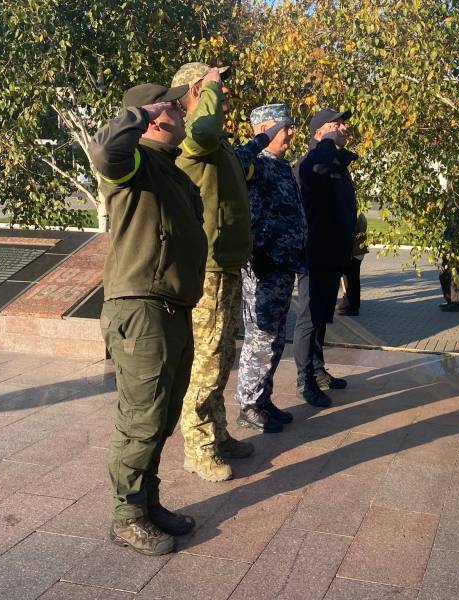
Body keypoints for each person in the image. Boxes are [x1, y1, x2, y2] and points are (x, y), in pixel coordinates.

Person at [89, 82, 208, 555]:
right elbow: (103, 152)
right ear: (155, 116)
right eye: (175, 107)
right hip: (140, 308)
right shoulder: (134, 162)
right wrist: (139, 114)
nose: (182, 113)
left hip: (171, 307)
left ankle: (148, 501)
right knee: (140, 419)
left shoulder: (169, 169)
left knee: (162, 415)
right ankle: (126, 516)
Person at [171, 62, 271, 481]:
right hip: (208, 268)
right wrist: (208, 87)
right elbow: (206, 130)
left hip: (229, 264)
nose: (225, 93)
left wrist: (263, 139)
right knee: (206, 361)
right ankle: (197, 447)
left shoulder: (219, 145)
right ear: (196, 90)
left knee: (224, 356)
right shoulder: (195, 137)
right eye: (217, 87)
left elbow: (241, 164)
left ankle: (218, 432)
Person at [234, 103, 307, 433]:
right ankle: (248, 404)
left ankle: (262, 399)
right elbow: (236, 168)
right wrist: (258, 251)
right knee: (260, 336)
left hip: (283, 264)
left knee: (275, 339)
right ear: (265, 128)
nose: (291, 132)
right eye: (285, 126)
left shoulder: (281, 166)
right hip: (262, 266)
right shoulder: (255, 164)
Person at [293, 108, 358, 408]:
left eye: (343, 123)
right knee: (308, 318)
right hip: (314, 254)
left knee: (321, 317)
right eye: (335, 124)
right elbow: (313, 176)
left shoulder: (334, 163)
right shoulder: (311, 162)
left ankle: (318, 370)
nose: (342, 128)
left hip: (332, 253)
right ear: (318, 133)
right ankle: (304, 379)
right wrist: (329, 143)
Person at [337, 212, 368, 316]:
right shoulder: (360, 216)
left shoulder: (353, 218)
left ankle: (353, 307)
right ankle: (353, 305)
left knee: (352, 280)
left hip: (354, 253)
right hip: (358, 252)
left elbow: (350, 237)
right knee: (353, 279)